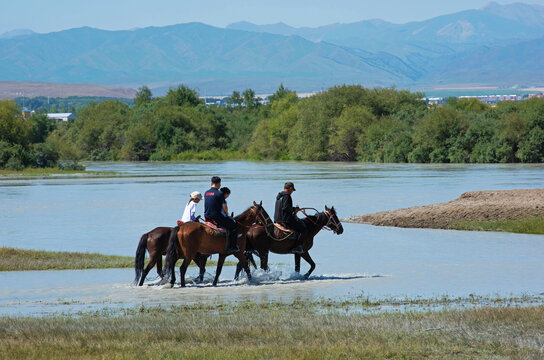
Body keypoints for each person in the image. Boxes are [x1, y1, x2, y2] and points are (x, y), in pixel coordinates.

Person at [204, 176, 239, 254]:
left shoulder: (206, 192)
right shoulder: (219, 193)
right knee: (233, 226)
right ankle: (232, 247)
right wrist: (227, 214)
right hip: (217, 217)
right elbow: (224, 206)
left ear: (211, 183)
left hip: (207, 216)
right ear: (219, 183)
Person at [274, 181, 307, 254]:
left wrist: (293, 209)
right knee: (303, 229)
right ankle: (297, 247)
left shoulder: (279, 196)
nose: (292, 192)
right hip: (285, 220)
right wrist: (294, 209)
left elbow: (283, 208)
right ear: (291, 188)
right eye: (292, 190)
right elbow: (285, 208)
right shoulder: (287, 196)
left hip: (277, 219)